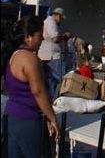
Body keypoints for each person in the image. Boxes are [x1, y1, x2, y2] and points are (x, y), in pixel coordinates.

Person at [3, 15, 60, 158]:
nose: (41, 40)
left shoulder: (13, 56)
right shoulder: (29, 59)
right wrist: (52, 118)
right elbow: (38, 91)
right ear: (28, 37)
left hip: (12, 118)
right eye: (39, 36)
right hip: (28, 120)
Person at [37, 7, 71, 98]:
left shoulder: (47, 22)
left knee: (49, 80)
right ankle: (56, 99)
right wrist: (64, 36)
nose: (62, 20)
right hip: (52, 56)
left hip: (46, 55)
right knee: (60, 78)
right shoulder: (51, 23)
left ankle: (50, 99)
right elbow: (55, 38)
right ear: (57, 15)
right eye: (61, 17)